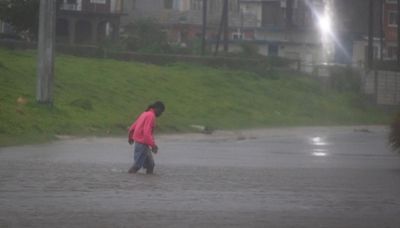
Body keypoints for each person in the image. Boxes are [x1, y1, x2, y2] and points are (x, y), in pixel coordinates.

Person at [127, 101, 165, 174]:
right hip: (142, 144)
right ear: (157, 109)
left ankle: (148, 183)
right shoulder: (151, 116)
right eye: (161, 111)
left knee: (151, 165)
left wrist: (130, 136)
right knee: (137, 166)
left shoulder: (145, 113)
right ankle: (128, 180)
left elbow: (133, 126)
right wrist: (153, 145)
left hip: (142, 144)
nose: (161, 114)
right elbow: (147, 133)